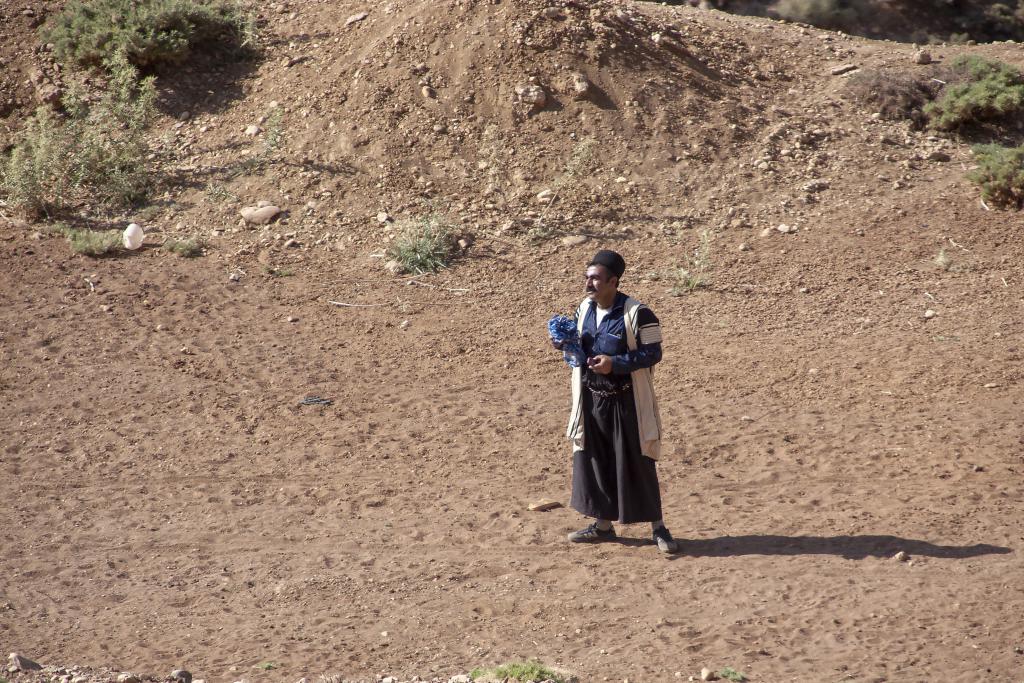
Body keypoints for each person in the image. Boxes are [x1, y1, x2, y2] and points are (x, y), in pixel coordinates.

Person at [551, 249, 678, 553]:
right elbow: (580, 346)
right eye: (587, 277)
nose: (588, 284)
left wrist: (615, 363)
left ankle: (658, 528)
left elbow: (653, 353)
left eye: (595, 279)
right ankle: (603, 525)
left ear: (613, 281)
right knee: (596, 459)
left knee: (638, 461)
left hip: (628, 402)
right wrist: (564, 343)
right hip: (593, 400)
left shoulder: (638, 314)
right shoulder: (584, 309)